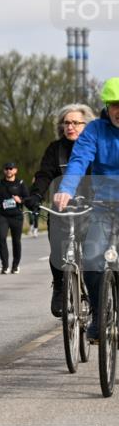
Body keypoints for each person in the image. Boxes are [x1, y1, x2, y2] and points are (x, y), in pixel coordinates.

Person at [54, 77, 119, 343]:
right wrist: (66, 188)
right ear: (107, 105)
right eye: (115, 105)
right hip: (102, 206)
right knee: (91, 260)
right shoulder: (94, 130)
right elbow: (79, 159)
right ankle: (98, 314)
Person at [27, 103, 95, 316]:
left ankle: (98, 293)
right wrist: (36, 194)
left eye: (76, 122)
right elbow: (45, 174)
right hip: (62, 209)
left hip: (92, 207)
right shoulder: (55, 149)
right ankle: (59, 286)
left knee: (96, 252)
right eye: (66, 123)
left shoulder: (94, 147)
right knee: (57, 249)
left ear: (87, 125)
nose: (70, 127)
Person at [0, 162, 29, 274]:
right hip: (3, 216)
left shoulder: (20, 183)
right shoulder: (0, 183)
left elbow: (27, 198)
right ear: (4, 171)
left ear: (15, 170)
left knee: (16, 241)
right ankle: (5, 265)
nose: (8, 171)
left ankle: (15, 265)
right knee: (1, 239)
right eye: (6, 169)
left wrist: (20, 200)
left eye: (11, 169)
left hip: (16, 216)